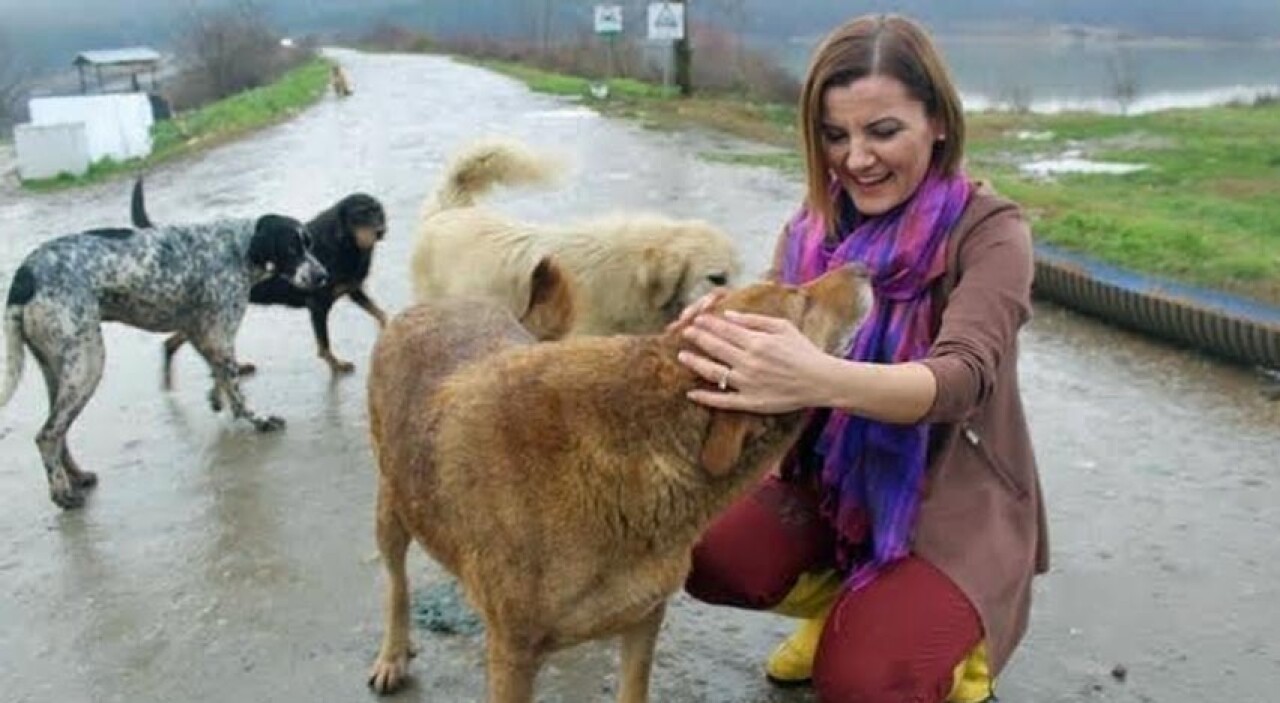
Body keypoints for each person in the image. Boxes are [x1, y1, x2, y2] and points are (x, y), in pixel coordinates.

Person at [673, 14, 1048, 703]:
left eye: (883, 131)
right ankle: (850, 607)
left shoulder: (991, 230)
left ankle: (952, 646)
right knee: (701, 552)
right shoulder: (812, 224)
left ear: (938, 121)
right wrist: (710, 329)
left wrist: (817, 377)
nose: (856, 159)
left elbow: (960, 379)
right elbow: (771, 320)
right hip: (832, 484)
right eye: (835, 135)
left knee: (865, 682)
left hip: (952, 502)